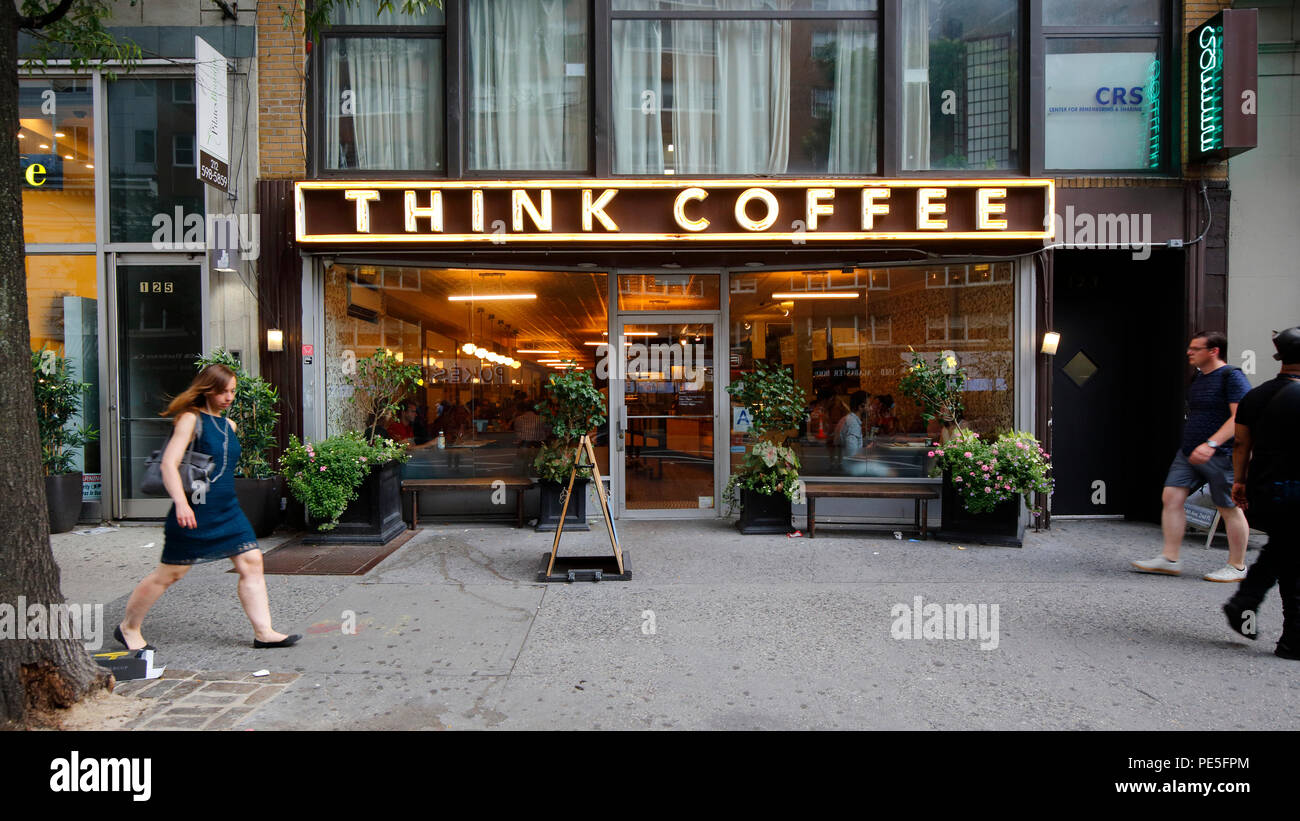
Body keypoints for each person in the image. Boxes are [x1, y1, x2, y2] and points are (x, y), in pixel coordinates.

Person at [117, 364, 300, 651]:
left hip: (227, 508)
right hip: (196, 509)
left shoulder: (229, 426)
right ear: (207, 389)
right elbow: (169, 464)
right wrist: (181, 503)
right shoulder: (190, 419)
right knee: (170, 574)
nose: (229, 397)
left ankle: (264, 632)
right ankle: (128, 627)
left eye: (233, 391)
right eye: (223, 391)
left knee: (252, 562)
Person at [1133, 331, 1253, 581]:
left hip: (1221, 453)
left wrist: (1211, 443)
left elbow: (1240, 418)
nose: (1189, 352)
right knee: (1171, 497)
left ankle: (1237, 566)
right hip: (1189, 452)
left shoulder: (1232, 377)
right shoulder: (1198, 379)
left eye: (1196, 348)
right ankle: (1170, 559)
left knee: (1228, 507)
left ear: (1214, 351)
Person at [1223, 327, 1300, 660]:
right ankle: (1291, 638)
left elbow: (1241, 443)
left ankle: (1246, 604)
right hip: (1294, 488)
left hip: (1267, 485)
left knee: (1284, 549)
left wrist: (1239, 481)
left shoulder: (1256, 396)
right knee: (1288, 553)